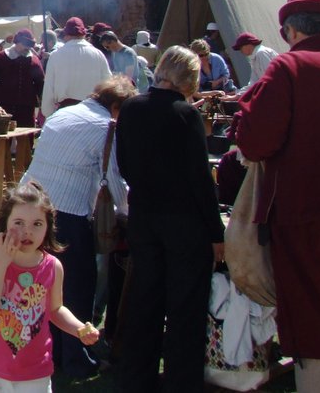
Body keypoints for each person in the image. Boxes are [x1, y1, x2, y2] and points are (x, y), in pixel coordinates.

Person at [235, 0, 320, 391]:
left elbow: (255, 142)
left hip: (305, 216)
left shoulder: (288, 68)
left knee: (314, 318)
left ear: (291, 31)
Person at [115, 45, 223, 392]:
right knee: (185, 310)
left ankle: (137, 379)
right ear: (188, 79)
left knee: (144, 302)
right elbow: (200, 178)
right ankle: (181, 382)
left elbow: (124, 163)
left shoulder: (131, 107)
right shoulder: (185, 115)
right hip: (184, 225)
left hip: (145, 217)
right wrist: (216, 231)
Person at [24, 75, 134, 378]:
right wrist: (126, 210)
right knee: (76, 290)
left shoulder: (65, 112)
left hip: (32, 205)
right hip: (67, 214)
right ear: (115, 106)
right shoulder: (105, 128)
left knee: (41, 286)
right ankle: (75, 358)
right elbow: (114, 180)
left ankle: (49, 350)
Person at [0, 181, 100, 392]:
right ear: (5, 223)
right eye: (19, 222)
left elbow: (55, 309)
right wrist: (2, 264)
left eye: (37, 224)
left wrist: (78, 328)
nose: (27, 232)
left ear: (48, 227)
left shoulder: (53, 266)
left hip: (35, 373)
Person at [41, 17, 111, 119]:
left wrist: (49, 114)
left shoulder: (56, 56)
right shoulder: (97, 54)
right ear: (83, 34)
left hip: (65, 114)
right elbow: (107, 84)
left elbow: (49, 87)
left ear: (66, 35)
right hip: (92, 113)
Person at [0, 29, 44, 128]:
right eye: (25, 45)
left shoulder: (34, 60)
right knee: (2, 138)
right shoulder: (0, 58)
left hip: (26, 108)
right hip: (3, 106)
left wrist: (43, 100)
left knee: (26, 138)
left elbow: (40, 82)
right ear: (17, 42)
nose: (27, 48)